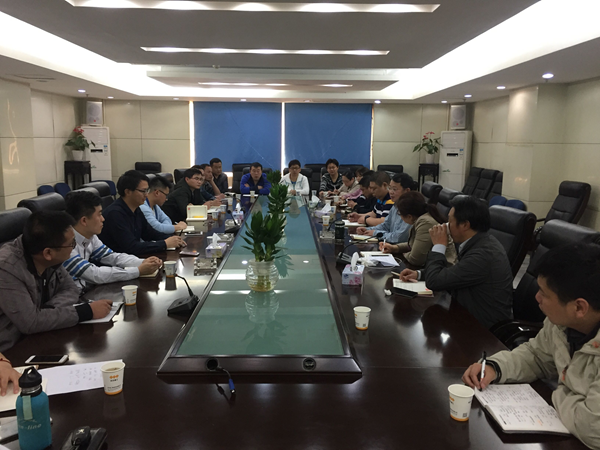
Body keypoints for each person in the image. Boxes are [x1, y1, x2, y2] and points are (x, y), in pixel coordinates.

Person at [462, 243, 600, 449]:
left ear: (579, 307)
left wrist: (559, 393)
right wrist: (495, 367)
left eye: (544, 293)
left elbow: (592, 428)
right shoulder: (561, 323)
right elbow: (536, 356)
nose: (537, 297)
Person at [0, 211, 112, 351]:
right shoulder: (7, 268)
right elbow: (31, 323)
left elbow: (71, 289)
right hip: (11, 350)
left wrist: (46, 313)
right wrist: (86, 312)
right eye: (71, 244)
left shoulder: (49, 255)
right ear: (48, 253)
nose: (73, 248)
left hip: (41, 336)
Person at [399, 195, 513, 329]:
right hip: (463, 311)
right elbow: (455, 272)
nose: (446, 226)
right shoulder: (478, 242)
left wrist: (439, 246)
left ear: (465, 225)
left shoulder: (483, 255)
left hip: (482, 327)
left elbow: (434, 282)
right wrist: (419, 274)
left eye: (450, 221)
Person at [64, 190, 163, 289]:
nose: (103, 219)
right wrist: (138, 271)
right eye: (99, 214)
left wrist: (143, 262)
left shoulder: (91, 236)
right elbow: (95, 274)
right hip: (73, 296)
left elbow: (112, 257)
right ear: (84, 221)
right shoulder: (64, 244)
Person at [99, 170, 185, 256]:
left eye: (147, 190)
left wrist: (173, 239)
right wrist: (164, 244)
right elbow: (131, 247)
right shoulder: (115, 214)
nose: (146, 195)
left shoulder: (136, 208)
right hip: (117, 260)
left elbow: (149, 233)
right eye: (143, 191)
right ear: (128, 192)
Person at [380, 191, 457, 268]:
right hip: (432, 267)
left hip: (443, 268)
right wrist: (395, 248)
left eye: (400, 214)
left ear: (409, 216)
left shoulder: (425, 223)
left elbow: (415, 259)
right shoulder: (422, 218)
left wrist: (405, 254)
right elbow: (414, 244)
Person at [356, 173, 413, 243]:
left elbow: (398, 238)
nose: (391, 192)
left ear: (407, 191)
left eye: (394, 189)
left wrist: (375, 233)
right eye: (390, 188)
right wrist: (368, 229)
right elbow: (386, 225)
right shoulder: (395, 206)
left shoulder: (411, 210)